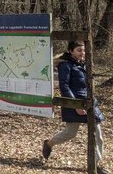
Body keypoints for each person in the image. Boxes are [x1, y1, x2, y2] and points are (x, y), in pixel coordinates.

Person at [42, 40, 108, 174]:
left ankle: (95, 165)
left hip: (89, 102)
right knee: (70, 133)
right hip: (73, 103)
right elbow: (64, 87)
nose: (82, 53)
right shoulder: (65, 66)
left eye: (83, 50)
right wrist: (74, 106)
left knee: (98, 135)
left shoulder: (84, 64)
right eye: (79, 50)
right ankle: (49, 143)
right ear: (71, 51)